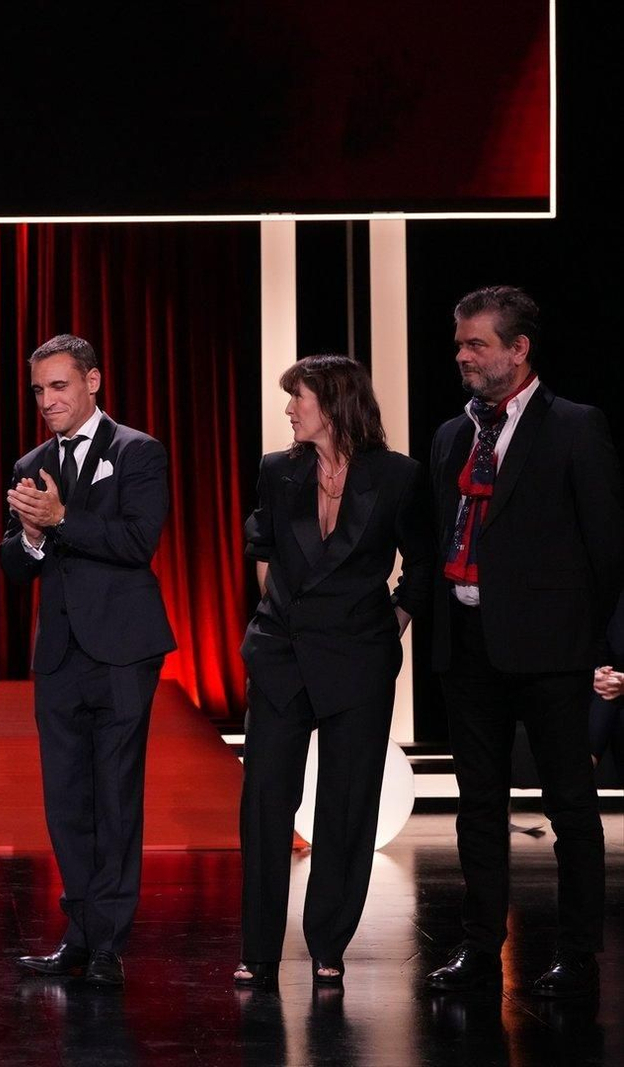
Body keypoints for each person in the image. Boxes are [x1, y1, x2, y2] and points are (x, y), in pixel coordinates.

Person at [423, 286, 622, 998]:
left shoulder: (574, 426)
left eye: (476, 344)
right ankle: (481, 950)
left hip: (551, 653)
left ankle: (576, 958)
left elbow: (605, 548)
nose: (463, 356)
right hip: (469, 648)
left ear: (518, 348)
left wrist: (595, 643)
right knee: (479, 806)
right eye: (459, 344)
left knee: (570, 806)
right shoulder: (452, 434)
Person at [233, 355, 431, 990]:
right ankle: (260, 950)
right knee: (266, 805)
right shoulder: (277, 470)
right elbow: (261, 549)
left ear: (337, 405)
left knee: (347, 807)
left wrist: (389, 623)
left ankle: (328, 944)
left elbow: (423, 565)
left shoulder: (398, 477)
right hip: (281, 656)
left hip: (358, 659)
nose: (290, 410)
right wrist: (279, 613)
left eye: (300, 398)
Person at [0, 333, 175, 989]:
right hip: (61, 654)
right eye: (39, 390)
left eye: (60, 386)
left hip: (125, 650)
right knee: (67, 799)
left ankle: (108, 939)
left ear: (93, 381)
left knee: (115, 797)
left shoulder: (137, 450)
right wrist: (33, 536)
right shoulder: (30, 460)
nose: (47, 400)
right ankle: (79, 931)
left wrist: (62, 516)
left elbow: (138, 539)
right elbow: (12, 562)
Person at [589, 594, 624, 775]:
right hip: (611, 689)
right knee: (606, 697)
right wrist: (596, 676)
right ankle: (578, 783)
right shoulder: (614, 597)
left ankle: (575, 791)